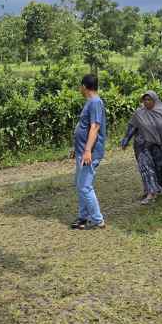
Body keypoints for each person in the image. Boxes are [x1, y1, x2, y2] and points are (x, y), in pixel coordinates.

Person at [121, 90, 162, 205]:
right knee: (146, 168)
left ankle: (158, 187)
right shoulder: (139, 113)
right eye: (144, 100)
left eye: (149, 99)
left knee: (161, 168)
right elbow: (131, 128)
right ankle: (151, 193)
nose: (146, 102)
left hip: (158, 145)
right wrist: (125, 140)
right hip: (142, 146)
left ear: (154, 100)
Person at [70, 74, 107, 230]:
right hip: (82, 151)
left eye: (80, 86)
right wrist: (77, 148)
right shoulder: (90, 102)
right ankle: (83, 217)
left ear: (84, 86)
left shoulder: (96, 103)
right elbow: (84, 128)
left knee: (85, 186)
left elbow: (95, 127)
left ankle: (98, 220)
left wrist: (87, 151)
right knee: (80, 185)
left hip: (89, 153)